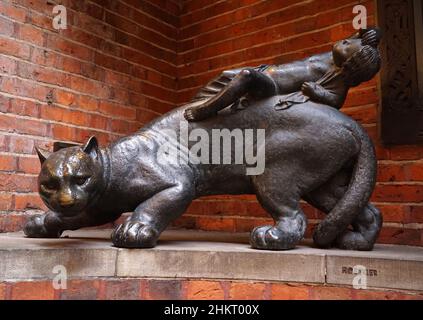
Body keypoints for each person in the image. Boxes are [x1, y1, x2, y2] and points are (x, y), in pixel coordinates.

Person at [184, 28, 381, 121]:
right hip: (266, 70)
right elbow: (364, 34)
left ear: (349, 65)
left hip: (272, 87)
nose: (345, 41)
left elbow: (336, 100)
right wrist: (373, 33)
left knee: (246, 76)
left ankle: (206, 110)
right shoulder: (333, 55)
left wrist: (317, 93)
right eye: (348, 41)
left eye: (348, 46)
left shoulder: (337, 77)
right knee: (227, 74)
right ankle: (197, 102)